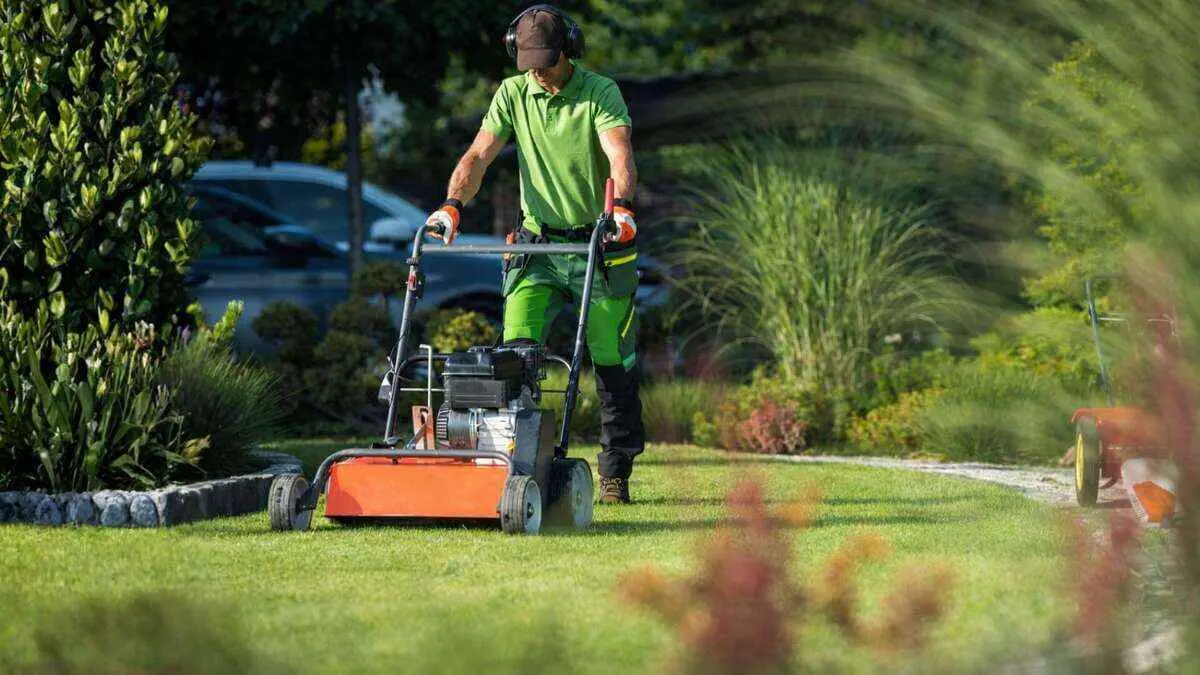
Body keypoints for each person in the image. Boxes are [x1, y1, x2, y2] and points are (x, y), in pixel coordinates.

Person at [424, 4, 643, 504]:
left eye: (546, 60)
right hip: (538, 244)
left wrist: (624, 209)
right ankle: (518, 465)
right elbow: (479, 155)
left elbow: (619, 153)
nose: (539, 72)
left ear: (569, 49)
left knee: (611, 358)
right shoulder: (512, 93)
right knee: (514, 356)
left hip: (600, 242)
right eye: (530, 62)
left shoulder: (599, 92)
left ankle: (614, 472)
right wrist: (453, 205)